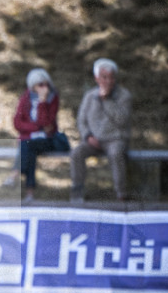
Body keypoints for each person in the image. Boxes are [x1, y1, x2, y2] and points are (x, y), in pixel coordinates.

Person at [70, 58, 132, 203]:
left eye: (111, 77)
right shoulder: (89, 96)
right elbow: (81, 120)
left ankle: (121, 194)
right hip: (93, 140)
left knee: (116, 154)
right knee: (76, 153)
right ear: (97, 78)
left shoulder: (124, 96)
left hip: (115, 139)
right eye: (104, 77)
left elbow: (122, 121)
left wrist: (107, 101)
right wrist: (87, 136)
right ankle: (77, 194)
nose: (108, 81)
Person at [10, 67, 69, 202]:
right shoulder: (26, 97)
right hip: (30, 140)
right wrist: (36, 128)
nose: (44, 87)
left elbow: (47, 123)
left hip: (47, 140)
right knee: (29, 147)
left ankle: (16, 173)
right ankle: (29, 192)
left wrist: (43, 102)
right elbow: (17, 122)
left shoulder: (52, 98)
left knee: (27, 145)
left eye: (46, 84)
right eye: (40, 85)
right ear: (33, 86)